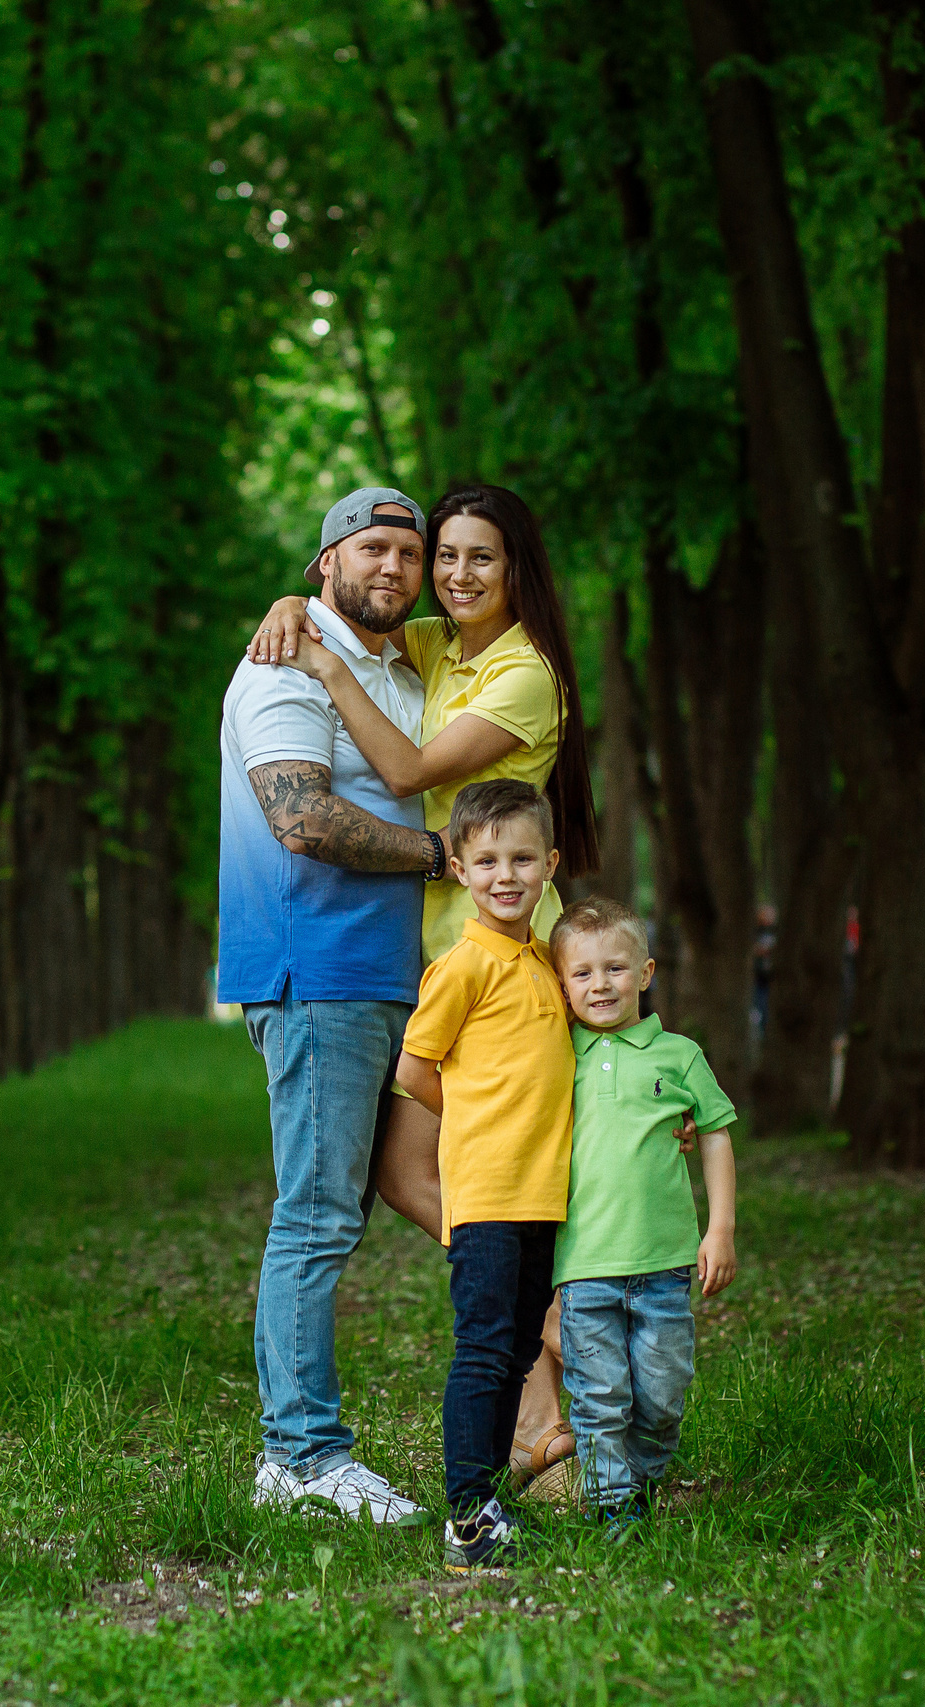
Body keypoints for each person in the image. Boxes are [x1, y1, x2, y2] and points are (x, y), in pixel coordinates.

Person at [246, 483, 601, 1491]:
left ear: (517, 569)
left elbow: (405, 772)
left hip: (505, 958)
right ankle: (541, 1397)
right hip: (448, 959)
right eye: (444, 555)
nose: (453, 575)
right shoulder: (444, 644)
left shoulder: (524, 673)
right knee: (416, 1178)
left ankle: (558, 1331)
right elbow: (358, 611)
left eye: (479, 557)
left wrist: (320, 659)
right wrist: (295, 603)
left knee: (470, 1179)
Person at [220, 485, 448, 1524]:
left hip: (394, 973)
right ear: (326, 565)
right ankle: (300, 1459)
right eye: (371, 550)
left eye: (409, 552)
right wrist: (441, 854)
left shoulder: (399, 666)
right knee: (315, 1215)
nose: (392, 567)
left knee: (346, 1209)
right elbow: (302, 819)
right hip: (316, 967)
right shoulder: (281, 664)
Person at [393, 780, 576, 1572]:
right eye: (489, 860)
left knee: (518, 1350)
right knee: (484, 1346)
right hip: (489, 1192)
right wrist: (475, 1121)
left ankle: (493, 1495)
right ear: (461, 870)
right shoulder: (463, 965)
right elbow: (414, 1069)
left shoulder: (546, 962)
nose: (507, 875)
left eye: (523, 859)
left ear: (550, 865)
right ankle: (467, 1513)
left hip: (543, 1192)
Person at [548, 896, 738, 1532]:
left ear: (647, 972)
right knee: (599, 1396)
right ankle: (614, 1507)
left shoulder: (678, 1055)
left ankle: (644, 1481)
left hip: (665, 1263)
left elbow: (714, 1134)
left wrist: (720, 1229)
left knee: (661, 1395)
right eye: (582, 972)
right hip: (584, 1265)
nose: (600, 984)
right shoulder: (556, 1056)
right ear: (562, 984)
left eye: (615, 968)